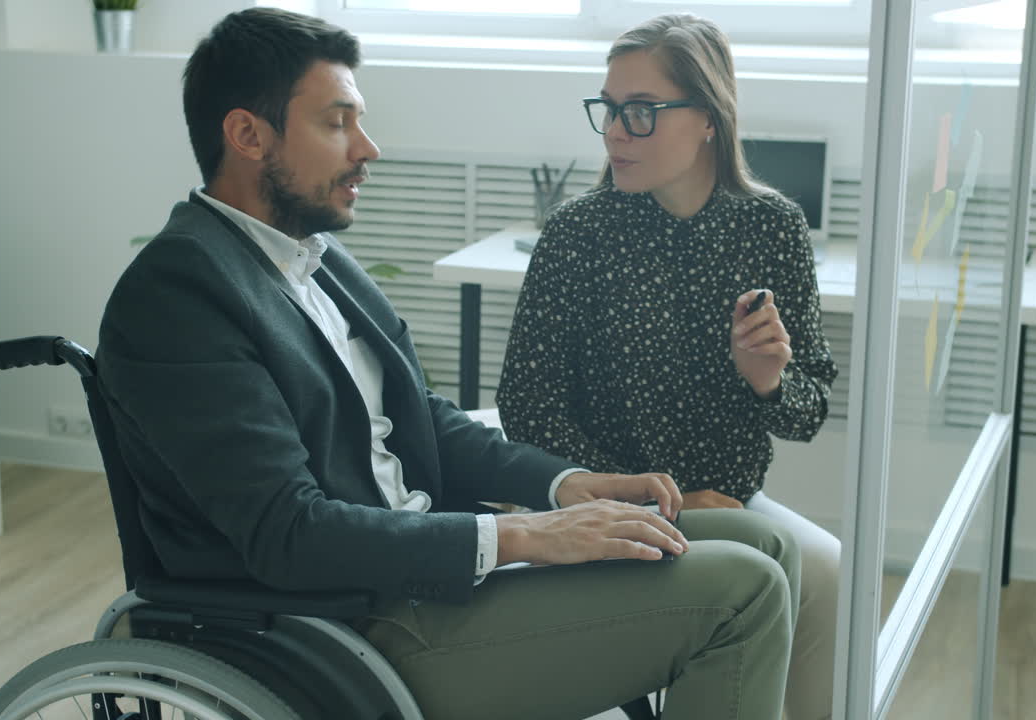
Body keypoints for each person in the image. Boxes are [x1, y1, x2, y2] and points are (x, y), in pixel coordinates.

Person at [96, 8, 803, 720]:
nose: (368, 147)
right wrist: (524, 534)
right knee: (745, 591)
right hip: (357, 627)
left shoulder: (314, 258)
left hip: (425, 568)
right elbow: (288, 534)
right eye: (338, 123)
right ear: (248, 134)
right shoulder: (181, 292)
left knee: (763, 539)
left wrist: (569, 486)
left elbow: (426, 423)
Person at [496, 13, 840, 720]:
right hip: (606, 507)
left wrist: (767, 378)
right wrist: (660, 498)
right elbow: (527, 409)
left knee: (832, 572)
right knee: (769, 570)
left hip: (730, 502)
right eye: (610, 110)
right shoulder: (576, 234)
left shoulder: (773, 227)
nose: (617, 132)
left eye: (642, 112)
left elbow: (809, 412)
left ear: (709, 117)